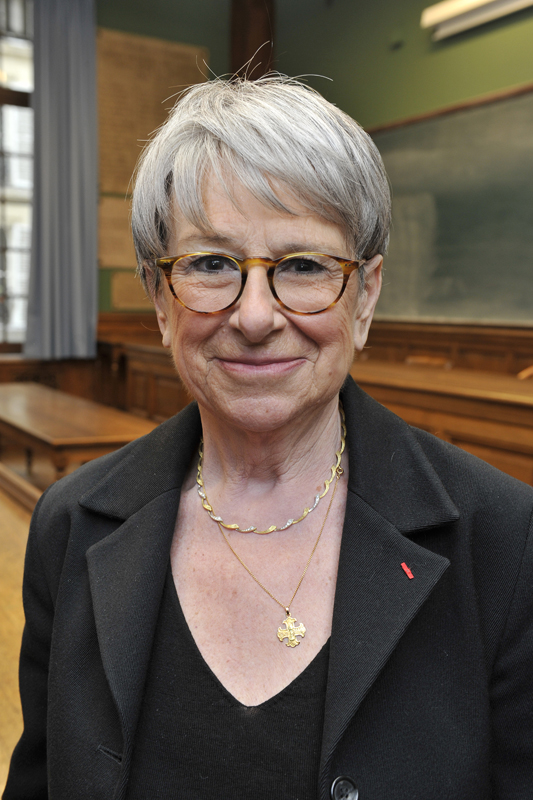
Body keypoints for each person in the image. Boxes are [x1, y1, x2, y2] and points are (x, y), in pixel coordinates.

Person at [4, 76, 533, 800]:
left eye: (305, 266)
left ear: (366, 296)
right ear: (161, 301)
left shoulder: (503, 539)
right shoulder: (71, 525)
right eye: (211, 264)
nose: (255, 316)